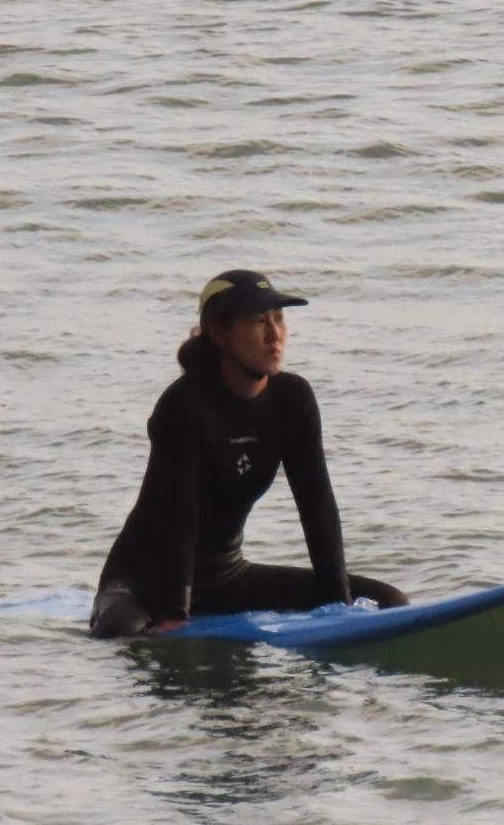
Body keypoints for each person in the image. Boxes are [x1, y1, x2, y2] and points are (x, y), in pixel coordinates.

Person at [89, 269, 409, 638]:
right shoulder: (185, 404)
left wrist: (338, 607)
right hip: (144, 582)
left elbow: (317, 506)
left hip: (227, 577)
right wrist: (176, 613)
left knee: (390, 601)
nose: (275, 335)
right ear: (219, 333)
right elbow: (182, 513)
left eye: (279, 318)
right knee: (119, 629)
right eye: (259, 321)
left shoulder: (293, 400)